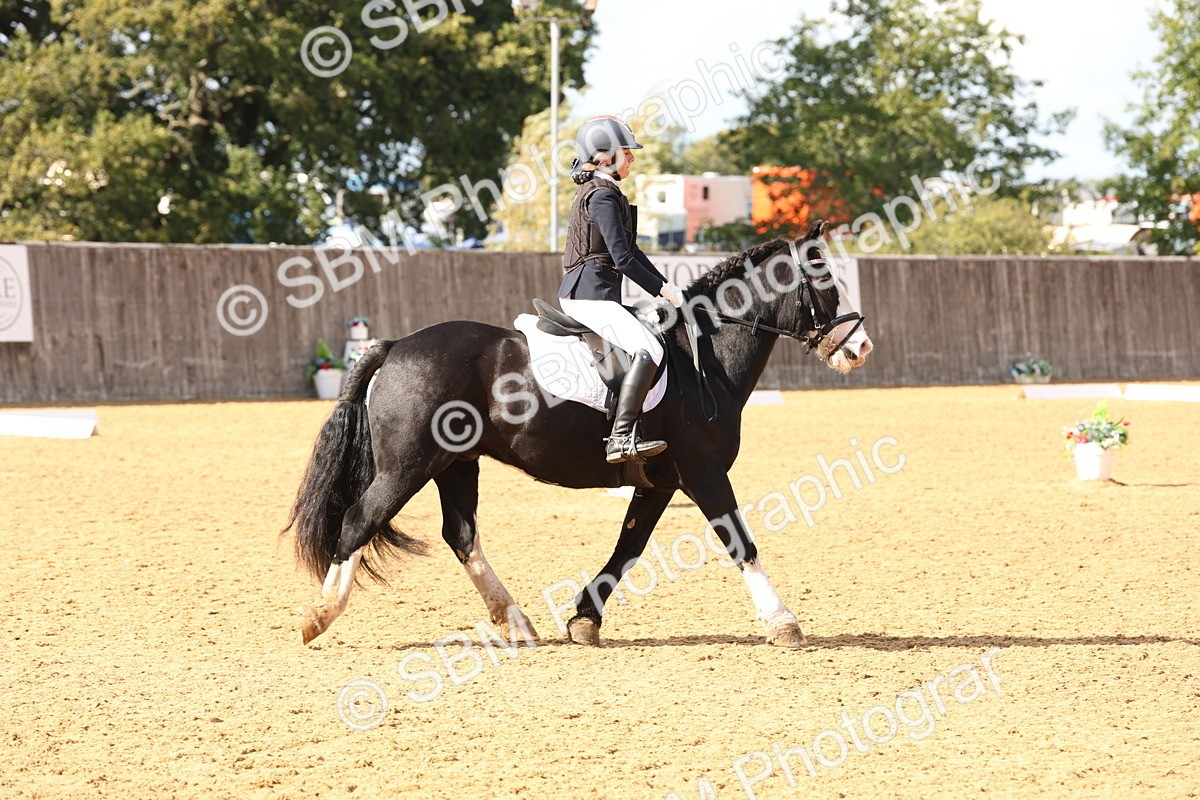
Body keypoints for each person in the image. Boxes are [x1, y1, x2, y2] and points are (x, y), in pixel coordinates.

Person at [558, 115, 686, 464]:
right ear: (604, 156)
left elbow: (633, 252)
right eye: (626, 153)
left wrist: (669, 289)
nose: (632, 159)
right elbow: (624, 259)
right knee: (650, 349)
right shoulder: (601, 196)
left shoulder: (607, 192)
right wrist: (663, 290)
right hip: (589, 295)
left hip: (596, 292)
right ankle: (620, 438)